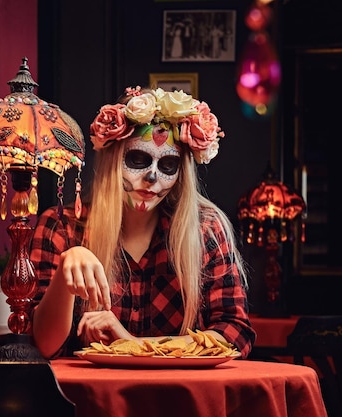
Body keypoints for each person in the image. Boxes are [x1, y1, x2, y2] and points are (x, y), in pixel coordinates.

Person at [30, 86, 256, 359]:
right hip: (87, 397)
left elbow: (233, 333)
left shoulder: (205, 229)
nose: (151, 178)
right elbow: (43, 345)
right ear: (114, 158)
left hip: (181, 397)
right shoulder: (61, 227)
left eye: (168, 166)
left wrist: (132, 344)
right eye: (138, 159)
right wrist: (65, 274)